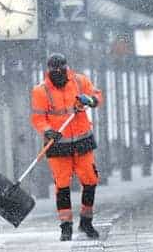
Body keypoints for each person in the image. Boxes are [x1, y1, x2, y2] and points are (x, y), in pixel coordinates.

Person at [30, 53, 104, 241]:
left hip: (82, 141)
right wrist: (47, 131)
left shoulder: (80, 81)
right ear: (48, 70)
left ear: (66, 67)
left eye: (61, 68)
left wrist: (91, 100)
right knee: (62, 184)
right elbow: (38, 118)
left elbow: (97, 95)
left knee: (90, 179)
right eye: (54, 69)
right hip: (57, 144)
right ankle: (66, 226)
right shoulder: (41, 91)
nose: (58, 72)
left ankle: (86, 222)